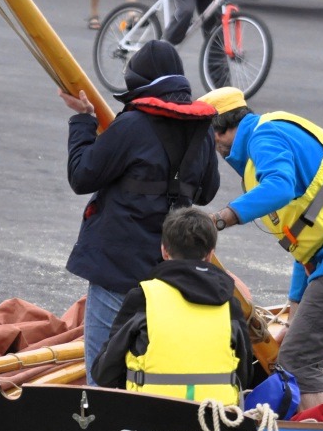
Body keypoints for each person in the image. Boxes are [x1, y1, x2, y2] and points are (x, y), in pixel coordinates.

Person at [197, 86, 323, 411]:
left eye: (211, 139)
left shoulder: (263, 139)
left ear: (224, 129)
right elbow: (303, 241)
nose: (215, 150)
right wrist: (296, 305)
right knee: (316, 342)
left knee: (298, 359)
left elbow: (279, 187)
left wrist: (222, 219)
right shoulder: (271, 132)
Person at [59, 40, 221, 385]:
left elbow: (82, 175)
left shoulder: (133, 125)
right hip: (170, 265)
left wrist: (83, 121)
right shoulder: (201, 128)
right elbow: (206, 192)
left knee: (102, 369)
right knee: (154, 361)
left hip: (119, 260)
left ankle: (103, 428)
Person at [91, 206, 252, 404]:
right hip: (216, 417)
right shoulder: (230, 304)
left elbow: (104, 372)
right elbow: (245, 373)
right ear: (210, 255)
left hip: (150, 417)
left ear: (164, 251)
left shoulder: (143, 297)